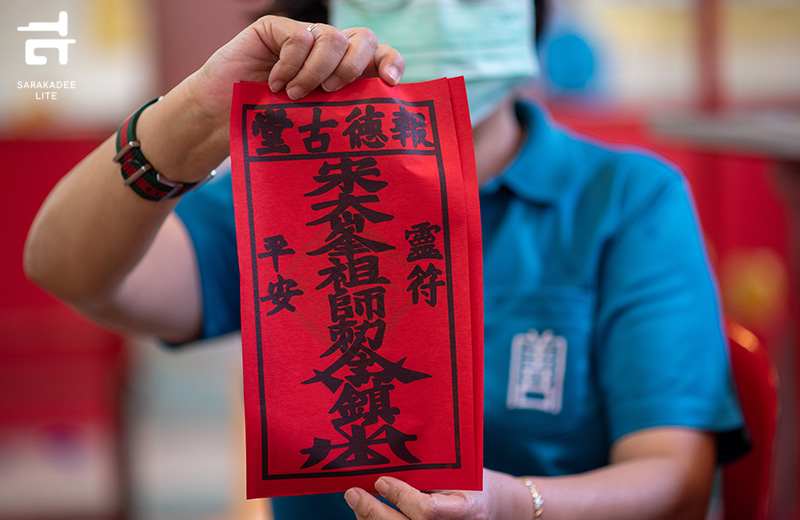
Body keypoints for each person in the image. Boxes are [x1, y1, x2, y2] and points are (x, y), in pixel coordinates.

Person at [24, 0, 748, 519]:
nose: (436, 11)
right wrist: (189, 121)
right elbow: (66, 268)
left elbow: (676, 481)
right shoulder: (282, 195)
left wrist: (519, 507)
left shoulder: (626, 200)